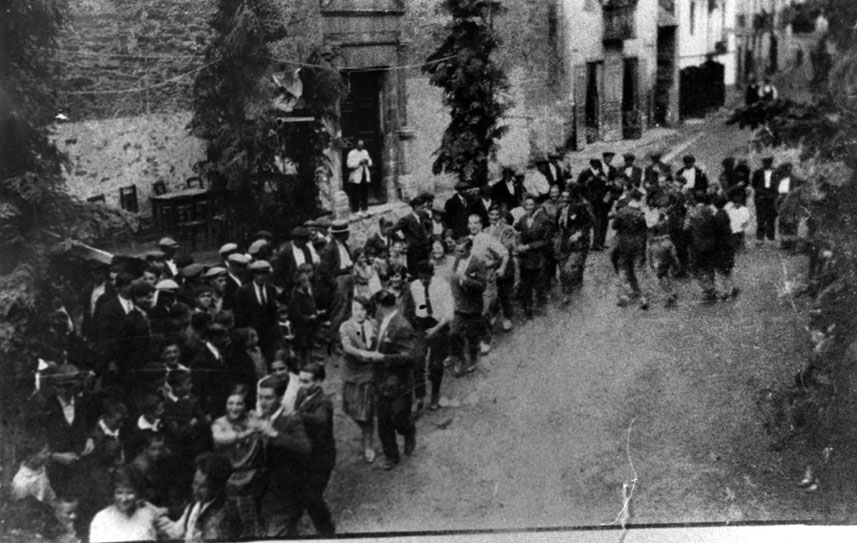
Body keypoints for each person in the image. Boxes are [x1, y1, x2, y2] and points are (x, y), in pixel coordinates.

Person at [365, 289, 416, 470]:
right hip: (380, 380)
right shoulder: (381, 322)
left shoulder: (402, 326)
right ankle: (391, 456)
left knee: (399, 419)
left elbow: (409, 356)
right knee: (383, 422)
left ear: (379, 306)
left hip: (398, 382)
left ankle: (409, 430)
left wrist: (384, 358)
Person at [256, 376, 312, 537]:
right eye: (260, 397)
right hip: (266, 493)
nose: (262, 402)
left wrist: (274, 434)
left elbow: (305, 447)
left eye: (268, 398)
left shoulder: (291, 420)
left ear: (280, 399)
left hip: (286, 493)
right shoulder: (263, 418)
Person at [211, 385, 264, 538]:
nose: (235, 408)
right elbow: (221, 439)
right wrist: (249, 432)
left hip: (250, 479)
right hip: (227, 480)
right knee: (229, 522)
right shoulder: (219, 423)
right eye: (231, 403)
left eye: (239, 403)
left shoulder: (253, 420)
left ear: (245, 405)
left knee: (250, 523)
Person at [293, 363, 336, 536]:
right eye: (300, 380)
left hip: (321, 456)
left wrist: (296, 416)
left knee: (313, 496)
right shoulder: (302, 392)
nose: (302, 384)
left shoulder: (324, 402)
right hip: (306, 452)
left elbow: (320, 421)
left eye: (307, 381)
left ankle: (326, 531)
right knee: (302, 490)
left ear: (319, 381)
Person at [405, 261, 454, 410]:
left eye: (427, 278)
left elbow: (449, 312)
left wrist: (436, 329)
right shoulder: (414, 286)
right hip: (421, 325)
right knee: (417, 360)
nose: (424, 281)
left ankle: (435, 394)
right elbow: (412, 307)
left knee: (435, 364)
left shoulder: (442, 285)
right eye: (422, 278)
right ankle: (419, 396)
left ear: (432, 274)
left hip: (438, 325)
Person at [339, 297, 379, 462]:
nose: (359, 313)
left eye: (362, 309)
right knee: (351, 409)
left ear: (367, 311)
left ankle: (368, 443)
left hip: (369, 373)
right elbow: (347, 347)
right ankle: (365, 429)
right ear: (351, 311)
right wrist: (364, 353)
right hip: (352, 374)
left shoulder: (374, 324)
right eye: (355, 309)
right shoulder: (346, 327)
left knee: (367, 411)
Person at [88, 467, 175, 542]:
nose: (124, 499)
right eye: (119, 493)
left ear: (138, 492)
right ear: (112, 493)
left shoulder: (148, 511)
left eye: (130, 493)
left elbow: (177, 533)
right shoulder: (101, 519)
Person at [171, 452, 241, 541]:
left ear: (217, 487)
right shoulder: (195, 505)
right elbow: (177, 531)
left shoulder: (221, 516)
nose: (196, 490)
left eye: (203, 487)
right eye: (195, 483)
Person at [449, 236, 488, 377]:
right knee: (454, 333)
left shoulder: (479, 263)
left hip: (473, 306)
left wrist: (466, 279)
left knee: (472, 336)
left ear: (469, 249)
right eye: (457, 251)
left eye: (461, 251)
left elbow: (482, 286)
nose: (458, 254)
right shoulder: (457, 260)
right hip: (459, 306)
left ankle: (473, 359)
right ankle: (459, 359)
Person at [316, 220, 354, 346]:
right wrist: (335, 284)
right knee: (339, 312)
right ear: (341, 234)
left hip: (348, 277)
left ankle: (346, 339)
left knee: (348, 309)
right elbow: (324, 270)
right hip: (339, 279)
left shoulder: (343, 245)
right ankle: (336, 341)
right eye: (346, 232)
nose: (348, 234)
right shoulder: (329, 248)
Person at [514, 195, 552, 318]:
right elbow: (518, 233)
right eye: (526, 205)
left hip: (538, 257)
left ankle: (541, 307)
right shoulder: (523, 219)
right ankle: (528, 309)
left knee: (539, 284)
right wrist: (519, 244)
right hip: (525, 258)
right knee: (526, 285)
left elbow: (545, 241)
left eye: (531, 205)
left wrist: (528, 247)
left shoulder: (544, 219)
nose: (529, 207)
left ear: (535, 205)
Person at [235, 260, 280, 362]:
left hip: (269, 334)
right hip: (252, 334)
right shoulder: (243, 291)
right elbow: (239, 315)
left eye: (264, 273)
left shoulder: (271, 289)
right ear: (253, 275)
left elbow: (273, 311)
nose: (261, 277)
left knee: (271, 359)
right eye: (258, 273)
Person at [555, 186, 594, 304]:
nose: (564, 199)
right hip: (563, 243)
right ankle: (566, 292)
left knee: (569, 268)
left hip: (577, 243)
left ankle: (571, 291)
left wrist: (580, 233)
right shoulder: (560, 210)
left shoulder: (578, 208)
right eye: (563, 197)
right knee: (562, 269)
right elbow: (556, 227)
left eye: (567, 197)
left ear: (572, 198)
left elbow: (591, 221)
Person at [612, 189, 649, 309]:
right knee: (639, 269)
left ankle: (624, 294)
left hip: (623, 243)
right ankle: (643, 298)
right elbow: (645, 232)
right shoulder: (641, 214)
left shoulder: (621, 211)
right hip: (638, 243)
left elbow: (614, 226)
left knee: (622, 267)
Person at [484, 206, 517, 330]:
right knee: (492, 294)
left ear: (500, 216)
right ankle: (495, 312)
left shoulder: (507, 229)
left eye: (496, 214)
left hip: (504, 265)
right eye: (491, 214)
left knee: (505, 293)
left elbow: (508, 246)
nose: (493, 217)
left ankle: (507, 317)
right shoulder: (485, 230)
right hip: (490, 267)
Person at [645, 196, 679, 307]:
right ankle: (673, 290)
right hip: (668, 243)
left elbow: (650, 230)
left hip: (657, 245)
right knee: (666, 271)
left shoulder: (656, 220)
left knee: (660, 274)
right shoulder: (666, 218)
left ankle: (668, 295)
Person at [685, 193, 719, 303]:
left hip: (696, 244)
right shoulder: (711, 210)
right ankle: (712, 287)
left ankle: (707, 288)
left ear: (694, 199)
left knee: (697, 267)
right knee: (710, 266)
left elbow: (686, 228)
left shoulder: (691, 212)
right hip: (711, 243)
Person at [288, 269, 319, 368]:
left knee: (309, 351)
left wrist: (315, 313)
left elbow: (312, 306)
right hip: (301, 331)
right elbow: (296, 315)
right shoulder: (296, 298)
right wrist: (309, 318)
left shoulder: (307, 295)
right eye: (306, 281)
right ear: (301, 284)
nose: (309, 283)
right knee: (301, 353)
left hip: (309, 330)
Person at [393, 196, 431, 274]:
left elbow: (427, 227)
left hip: (424, 250)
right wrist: (404, 241)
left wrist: (428, 235)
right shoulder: (406, 219)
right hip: (413, 252)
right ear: (415, 207)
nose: (424, 210)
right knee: (415, 272)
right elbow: (392, 231)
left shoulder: (423, 216)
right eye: (422, 207)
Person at [712, 195, 739, 300]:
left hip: (721, 246)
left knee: (722, 270)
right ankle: (733, 286)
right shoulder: (724, 213)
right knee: (729, 267)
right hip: (728, 244)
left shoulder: (717, 216)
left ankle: (727, 291)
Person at [752, 156, 778, 245]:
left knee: (771, 218)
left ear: (771, 163)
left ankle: (770, 238)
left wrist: (774, 194)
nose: (767, 164)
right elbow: (754, 184)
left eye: (769, 163)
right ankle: (760, 238)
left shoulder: (776, 172)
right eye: (765, 163)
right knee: (760, 218)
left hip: (772, 198)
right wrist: (761, 192)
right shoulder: (758, 172)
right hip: (761, 198)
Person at [346, 139, 373, 215]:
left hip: (364, 174)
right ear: (356, 145)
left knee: (364, 192)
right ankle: (355, 210)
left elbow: (370, 162)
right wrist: (359, 162)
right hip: (355, 175)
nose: (361, 146)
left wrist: (368, 162)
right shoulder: (351, 153)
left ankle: (364, 208)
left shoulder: (365, 152)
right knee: (355, 193)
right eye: (359, 145)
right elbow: (349, 165)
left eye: (362, 145)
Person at [724, 188, 750, 253]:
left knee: (740, 238)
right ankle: (737, 248)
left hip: (739, 228)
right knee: (735, 239)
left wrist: (744, 225)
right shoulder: (729, 207)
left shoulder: (744, 209)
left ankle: (740, 248)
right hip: (733, 228)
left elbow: (746, 219)